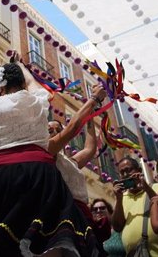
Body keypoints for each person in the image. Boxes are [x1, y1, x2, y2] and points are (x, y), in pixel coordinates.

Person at [0, 58, 99, 255]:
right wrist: (22, 67)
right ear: (23, 85)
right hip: (37, 171)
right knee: (48, 238)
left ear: (0, 88)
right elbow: (32, 82)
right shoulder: (37, 98)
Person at [47, 84, 110, 244]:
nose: (54, 132)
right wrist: (93, 101)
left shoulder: (69, 162)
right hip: (62, 216)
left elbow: (89, 149)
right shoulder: (47, 153)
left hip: (81, 216)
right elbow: (73, 127)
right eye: (49, 130)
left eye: (57, 129)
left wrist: (90, 117)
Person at [111, 156, 158, 257]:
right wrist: (119, 199)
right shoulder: (122, 198)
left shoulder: (157, 187)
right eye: (122, 172)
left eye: (128, 170)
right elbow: (117, 227)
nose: (126, 175)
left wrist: (145, 186)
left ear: (139, 170)